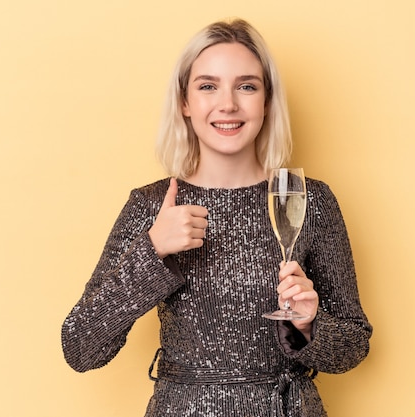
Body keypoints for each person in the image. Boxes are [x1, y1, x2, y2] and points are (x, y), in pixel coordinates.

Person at [61, 18, 372, 417]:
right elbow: (81, 347)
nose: (228, 104)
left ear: (267, 101)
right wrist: (151, 252)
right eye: (208, 86)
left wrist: (308, 326)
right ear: (185, 103)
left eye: (247, 86)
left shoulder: (308, 200)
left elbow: (352, 348)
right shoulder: (152, 207)